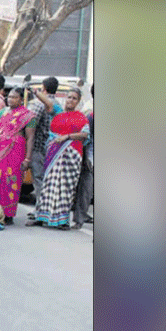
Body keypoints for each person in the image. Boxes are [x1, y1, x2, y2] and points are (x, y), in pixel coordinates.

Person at [27, 88, 89, 230]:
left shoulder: (81, 117)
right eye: (69, 97)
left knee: (65, 188)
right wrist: (36, 92)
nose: (71, 100)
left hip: (71, 157)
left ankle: (61, 221)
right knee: (48, 185)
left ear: (78, 101)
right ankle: (42, 217)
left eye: (74, 98)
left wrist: (67, 137)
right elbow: (48, 102)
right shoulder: (58, 112)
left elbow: (85, 135)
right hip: (53, 154)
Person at [0, 86, 35, 225]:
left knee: (11, 180)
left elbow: (30, 138)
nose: (10, 100)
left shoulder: (28, 116)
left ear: (21, 99)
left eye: (14, 97)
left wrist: (27, 159)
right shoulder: (2, 111)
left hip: (15, 151)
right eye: (9, 97)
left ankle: (8, 214)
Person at [26, 77, 63, 219]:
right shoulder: (58, 104)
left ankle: (41, 210)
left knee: (39, 179)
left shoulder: (38, 103)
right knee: (48, 180)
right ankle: (44, 209)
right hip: (52, 148)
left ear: (43, 88)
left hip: (38, 146)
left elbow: (31, 124)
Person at [72, 84, 93, 230]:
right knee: (85, 187)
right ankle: (79, 218)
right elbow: (87, 139)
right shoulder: (90, 114)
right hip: (89, 156)